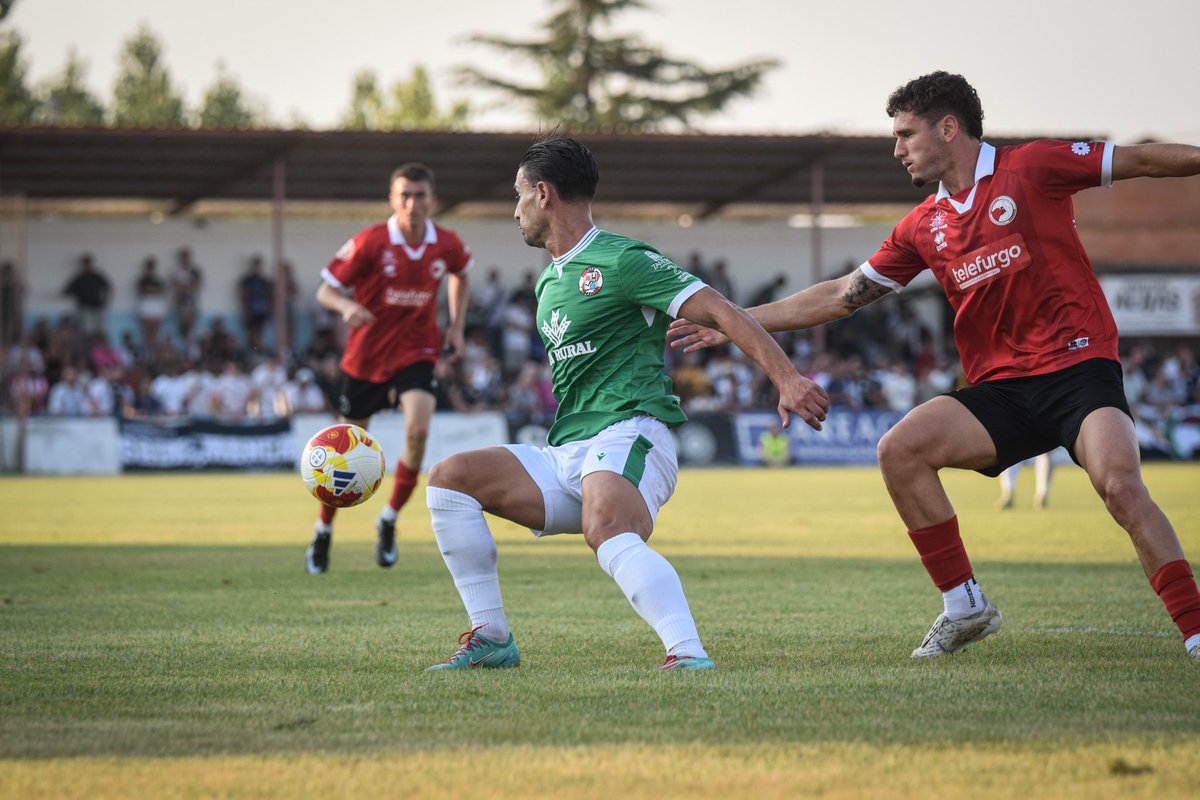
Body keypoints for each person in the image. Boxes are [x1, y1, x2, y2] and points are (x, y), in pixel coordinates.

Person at [669, 71, 1200, 661]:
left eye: (905, 134)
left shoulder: (1033, 168)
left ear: (948, 128)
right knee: (900, 450)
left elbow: (1144, 160)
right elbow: (840, 295)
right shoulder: (924, 225)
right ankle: (965, 605)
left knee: (1121, 487)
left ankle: (1196, 632)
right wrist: (733, 319)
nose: (897, 150)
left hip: (1079, 374)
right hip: (1001, 392)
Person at [421, 133, 829, 671]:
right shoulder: (548, 283)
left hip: (633, 432)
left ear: (543, 194)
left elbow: (723, 311)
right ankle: (492, 638)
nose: (514, 209)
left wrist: (787, 378)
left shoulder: (624, 259)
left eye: (518, 194)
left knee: (607, 525)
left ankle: (687, 653)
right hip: (569, 451)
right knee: (450, 478)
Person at [305, 162, 473, 575]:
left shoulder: (445, 243)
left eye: (420, 195)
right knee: (344, 454)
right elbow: (325, 289)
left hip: (417, 352)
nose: (413, 203)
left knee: (417, 432)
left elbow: (462, 275)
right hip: (364, 360)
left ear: (432, 200)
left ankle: (390, 519)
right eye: (405, 195)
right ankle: (324, 529)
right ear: (392, 199)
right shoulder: (370, 242)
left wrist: (455, 326)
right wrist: (347, 306)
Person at [61, 253, 112, 335]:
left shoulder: (97, 276)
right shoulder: (79, 278)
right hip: (85, 308)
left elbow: (107, 287)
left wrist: (104, 301)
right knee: (87, 331)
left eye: (88, 264)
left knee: (100, 330)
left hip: (98, 307)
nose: (87, 266)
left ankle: (100, 347)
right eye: (85, 264)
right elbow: (68, 290)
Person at [238, 256, 274, 352]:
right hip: (250, 310)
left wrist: (268, 308)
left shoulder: (264, 281)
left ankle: (259, 350)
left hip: (261, 311)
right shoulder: (247, 280)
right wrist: (245, 310)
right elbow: (242, 295)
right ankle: (252, 350)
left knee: (260, 332)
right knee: (251, 332)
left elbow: (269, 296)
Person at [171, 247, 203, 345]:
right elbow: (177, 285)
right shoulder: (177, 271)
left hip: (192, 299)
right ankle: (184, 341)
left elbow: (199, 284)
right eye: (183, 257)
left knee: (192, 321)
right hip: (182, 299)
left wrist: (186, 285)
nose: (185, 259)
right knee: (184, 320)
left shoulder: (195, 270)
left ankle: (190, 342)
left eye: (187, 257)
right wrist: (188, 285)